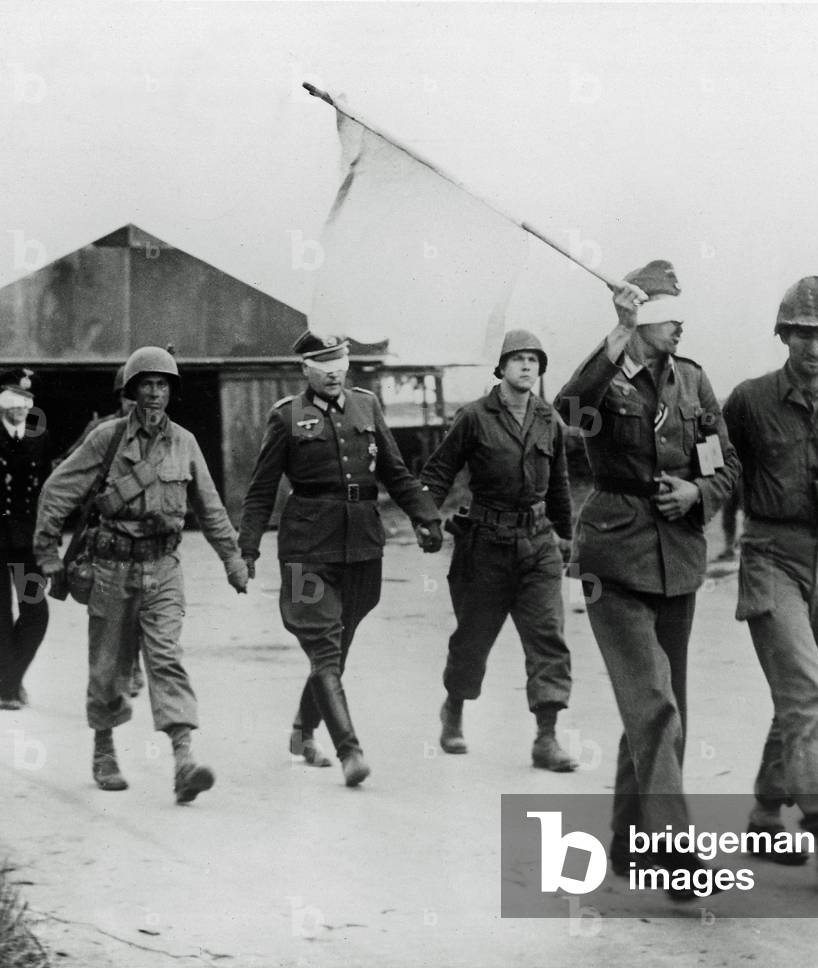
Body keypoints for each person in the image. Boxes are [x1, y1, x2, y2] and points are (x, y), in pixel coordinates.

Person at [555, 260, 740, 897]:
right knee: (655, 703)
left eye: (680, 314)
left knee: (664, 705)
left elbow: (725, 461)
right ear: (638, 318)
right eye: (665, 314)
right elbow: (568, 410)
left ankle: (629, 840)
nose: (679, 325)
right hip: (615, 557)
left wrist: (698, 490)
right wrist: (616, 333)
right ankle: (673, 847)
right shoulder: (606, 378)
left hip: (679, 556)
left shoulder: (692, 381)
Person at [34, 347, 249, 802]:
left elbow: (210, 507)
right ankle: (105, 747)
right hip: (112, 567)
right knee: (109, 666)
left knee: (166, 656)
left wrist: (232, 560)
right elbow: (57, 492)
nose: (154, 393)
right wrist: (48, 555)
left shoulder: (186, 443)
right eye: (146, 385)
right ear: (131, 392)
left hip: (164, 568)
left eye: (163, 385)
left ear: (172, 392)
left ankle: (184, 758)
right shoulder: (106, 439)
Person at [722, 275, 818, 888]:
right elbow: (715, 463)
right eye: (801, 333)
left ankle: (764, 813)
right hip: (770, 554)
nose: (813, 347)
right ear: (783, 334)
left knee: (801, 697)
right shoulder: (750, 399)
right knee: (809, 695)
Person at [239, 331, 443, 788]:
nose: (332, 369)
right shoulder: (287, 417)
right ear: (304, 370)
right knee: (326, 647)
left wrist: (425, 516)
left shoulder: (367, 406)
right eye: (321, 362)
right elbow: (261, 490)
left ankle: (301, 732)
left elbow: (394, 470)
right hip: (307, 550)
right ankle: (350, 751)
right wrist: (247, 548)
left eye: (339, 359)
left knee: (337, 646)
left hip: (361, 544)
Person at [419, 330, 577, 771]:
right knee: (473, 639)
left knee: (548, 639)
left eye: (534, 360)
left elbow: (560, 485)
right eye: (518, 359)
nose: (527, 366)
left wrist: (566, 537)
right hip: (485, 545)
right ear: (501, 368)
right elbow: (439, 470)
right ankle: (454, 709)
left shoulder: (549, 420)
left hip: (538, 544)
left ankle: (546, 737)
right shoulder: (474, 417)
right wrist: (425, 517)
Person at [58, 364, 146, 699]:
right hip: (101, 535)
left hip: (141, 534)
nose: (131, 404)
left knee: (138, 607)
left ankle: (133, 664)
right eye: (126, 397)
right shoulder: (101, 429)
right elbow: (70, 465)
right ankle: (108, 678)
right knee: (105, 609)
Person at [0, 368, 50, 710]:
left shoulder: (38, 436)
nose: (21, 407)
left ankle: (9, 679)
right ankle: (7, 690)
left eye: (27, 400)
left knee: (36, 612)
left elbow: (48, 492)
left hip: (27, 544)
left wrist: (48, 540)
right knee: (1, 615)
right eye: (14, 399)